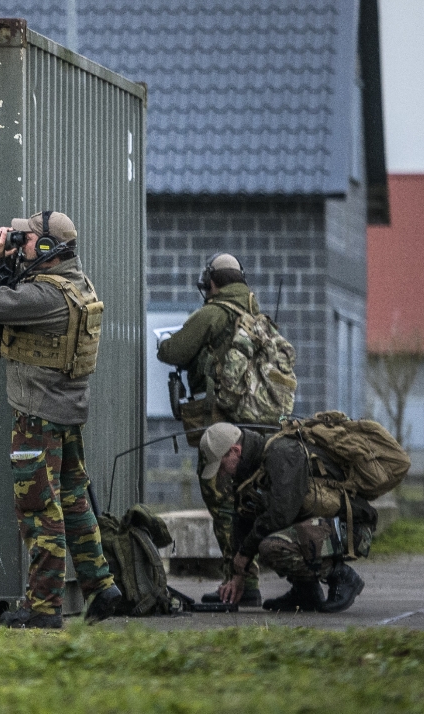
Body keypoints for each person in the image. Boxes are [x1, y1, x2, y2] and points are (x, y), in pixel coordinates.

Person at [0, 210, 125, 629]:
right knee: (73, 502)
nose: (21, 244)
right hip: (66, 413)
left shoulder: (45, 297)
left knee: (39, 511)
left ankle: (45, 608)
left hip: (38, 417)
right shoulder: (76, 284)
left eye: (29, 239)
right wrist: (12, 261)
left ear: (51, 249)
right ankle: (101, 588)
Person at [154, 252, 265, 607]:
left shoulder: (215, 313)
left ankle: (240, 584)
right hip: (254, 427)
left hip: (222, 426)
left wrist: (166, 344)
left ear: (213, 282)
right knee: (244, 502)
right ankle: (245, 581)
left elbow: (174, 350)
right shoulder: (256, 316)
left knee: (222, 503)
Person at [203, 421, 368, 613]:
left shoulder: (282, 453)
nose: (222, 473)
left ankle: (341, 576)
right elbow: (244, 517)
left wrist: (245, 553)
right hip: (320, 529)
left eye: (222, 465)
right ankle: (306, 592)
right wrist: (238, 575)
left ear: (235, 451)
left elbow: (280, 515)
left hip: (349, 531)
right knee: (267, 538)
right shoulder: (248, 468)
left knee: (271, 546)